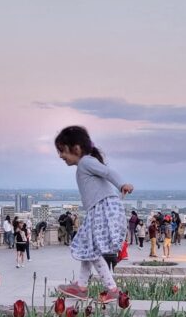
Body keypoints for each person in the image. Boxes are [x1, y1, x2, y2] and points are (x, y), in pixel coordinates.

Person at [53, 125, 132, 299]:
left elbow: (108, 172)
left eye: (62, 150)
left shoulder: (86, 162)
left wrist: (122, 184)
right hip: (101, 208)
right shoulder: (85, 163)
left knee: (91, 249)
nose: (60, 156)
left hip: (102, 208)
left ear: (76, 148)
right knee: (87, 248)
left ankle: (112, 289)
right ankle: (81, 286)